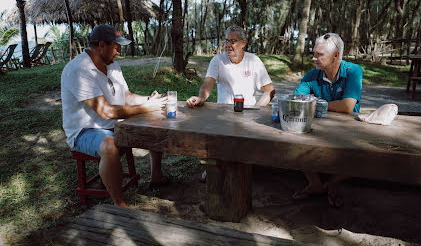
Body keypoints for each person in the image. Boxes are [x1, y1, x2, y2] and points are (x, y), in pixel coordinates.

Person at [61, 24, 168, 207]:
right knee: (109, 146)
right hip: (85, 131)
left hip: (113, 124)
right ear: (102, 45)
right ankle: (119, 203)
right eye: (116, 46)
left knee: (154, 121)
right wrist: (146, 108)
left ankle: (156, 175)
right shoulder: (78, 70)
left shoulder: (112, 64)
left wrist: (149, 100)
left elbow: (126, 96)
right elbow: (106, 111)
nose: (119, 51)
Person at [186, 26, 275, 182]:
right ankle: (214, 166)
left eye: (232, 41)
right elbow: (208, 84)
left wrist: (257, 110)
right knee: (215, 135)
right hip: (223, 113)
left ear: (243, 43)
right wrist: (201, 97)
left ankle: (238, 166)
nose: (228, 45)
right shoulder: (218, 60)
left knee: (244, 149)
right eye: (226, 40)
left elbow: (270, 90)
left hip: (248, 113)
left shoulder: (253, 61)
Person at [292, 32, 363, 207]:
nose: (314, 58)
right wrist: (321, 104)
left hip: (348, 129)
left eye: (319, 55)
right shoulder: (312, 75)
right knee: (292, 139)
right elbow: (296, 100)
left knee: (361, 154)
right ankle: (315, 182)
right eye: (314, 53)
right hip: (319, 128)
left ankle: (333, 183)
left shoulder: (353, 71)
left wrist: (313, 103)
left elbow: (347, 106)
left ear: (336, 55)